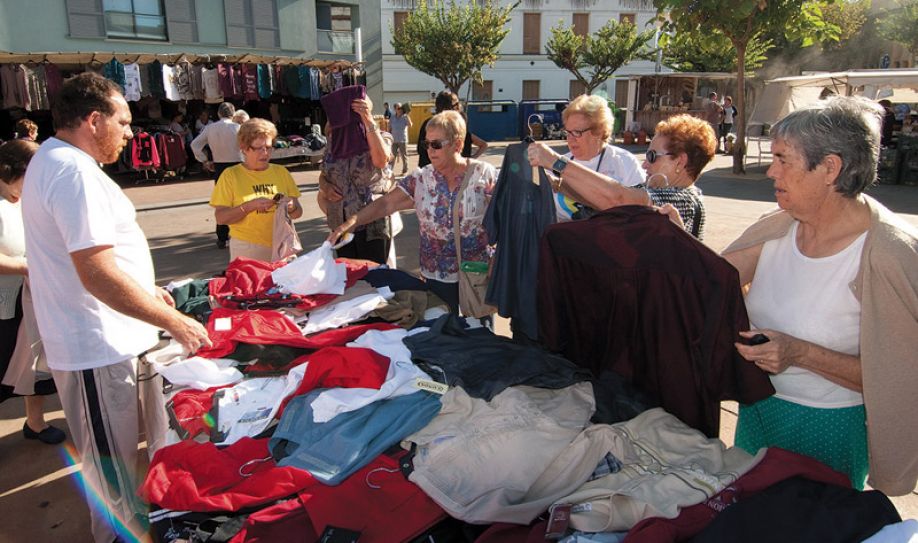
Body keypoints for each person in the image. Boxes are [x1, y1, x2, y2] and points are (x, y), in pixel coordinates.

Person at [21, 72, 211, 543]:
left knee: (124, 465)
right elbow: (96, 272)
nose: (130, 133)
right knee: (115, 476)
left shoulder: (61, 161)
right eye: (123, 122)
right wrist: (173, 320)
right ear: (93, 120)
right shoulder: (73, 173)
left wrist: (146, 291)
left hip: (109, 341)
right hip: (97, 348)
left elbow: (93, 258)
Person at [721, 96, 918, 495]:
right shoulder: (776, 230)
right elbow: (708, 282)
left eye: (783, 159)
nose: (771, 171)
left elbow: (899, 376)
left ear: (830, 168)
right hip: (758, 409)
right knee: (750, 515)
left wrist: (800, 353)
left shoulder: (888, 254)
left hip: (830, 425)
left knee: (813, 520)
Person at [327, 110, 497, 313]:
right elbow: (385, 204)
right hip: (436, 275)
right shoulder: (422, 179)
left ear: (458, 144)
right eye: (427, 144)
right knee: (443, 326)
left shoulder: (484, 174)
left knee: (480, 328)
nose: (430, 150)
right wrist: (350, 223)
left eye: (436, 144)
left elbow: (506, 218)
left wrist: (500, 257)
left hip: (477, 272)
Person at [0, 139, 63, 445]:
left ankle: (35, 422)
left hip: (32, 299)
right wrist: (26, 266)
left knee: (35, 363)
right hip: (5, 304)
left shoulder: (28, 200)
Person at [527, 94, 648, 222]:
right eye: (567, 132)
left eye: (577, 132)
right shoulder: (557, 163)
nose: (570, 139)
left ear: (599, 132)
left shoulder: (624, 162)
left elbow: (638, 211)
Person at [318, 96, 400, 265]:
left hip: (372, 222)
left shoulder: (381, 136)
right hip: (340, 222)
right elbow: (324, 173)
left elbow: (381, 161)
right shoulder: (334, 141)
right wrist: (325, 186)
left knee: (374, 273)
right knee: (347, 273)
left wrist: (367, 119)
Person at [209, 118, 303, 262]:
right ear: (244, 148)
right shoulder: (231, 175)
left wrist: (291, 206)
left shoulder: (281, 172)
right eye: (258, 148)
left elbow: (298, 213)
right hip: (247, 248)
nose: (265, 153)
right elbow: (221, 218)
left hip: (282, 244)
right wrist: (249, 207)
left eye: (269, 147)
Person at [642, 114, 716, 239]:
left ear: (680, 162)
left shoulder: (684, 201)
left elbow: (618, 197)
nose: (644, 164)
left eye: (652, 156)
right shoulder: (691, 196)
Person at [191, 102, 242, 249]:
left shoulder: (210, 128)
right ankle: (239, 234)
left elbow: (195, 145)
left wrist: (205, 160)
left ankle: (222, 237)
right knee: (240, 200)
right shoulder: (238, 128)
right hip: (238, 166)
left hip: (220, 166)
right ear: (233, 114)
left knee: (222, 202)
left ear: (219, 114)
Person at [417, 91, 488, 168]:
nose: (459, 107)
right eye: (457, 104)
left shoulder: (429, 124)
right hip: (437, 171)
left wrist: (470, 160)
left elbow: (482, 144)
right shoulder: (451, 126)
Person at [389, 102, 412, 175]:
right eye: (398, 108)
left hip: (403, 140)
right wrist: (389, 137)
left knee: (404, 156)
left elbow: (410, 125)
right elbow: (389, 128)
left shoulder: (405, 117)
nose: (400, 109)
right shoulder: (392, 117)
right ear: (395, 109)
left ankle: (405, 171)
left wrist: (407, 116)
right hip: (394, 140)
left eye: (401, 108)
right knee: (392, 156)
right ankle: (390, 171)